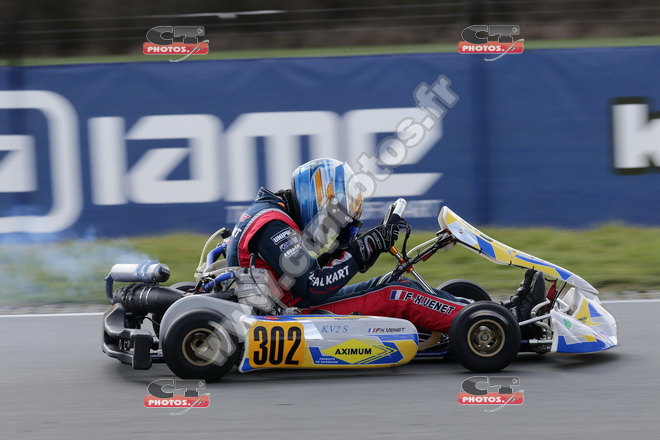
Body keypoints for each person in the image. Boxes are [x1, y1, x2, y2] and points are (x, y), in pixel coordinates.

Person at [225, 158, 542, 334]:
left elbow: (304, 274)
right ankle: (503, 323)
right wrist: (364, 250)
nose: (335, 224)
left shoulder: (272, 214)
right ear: (319, 196)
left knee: (397, 284)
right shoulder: (273, 224)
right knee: (398, 294)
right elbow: (315, 286)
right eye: (337, 213)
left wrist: (362, 247)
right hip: (290, 315)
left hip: (291, 302)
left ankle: (495, 312)